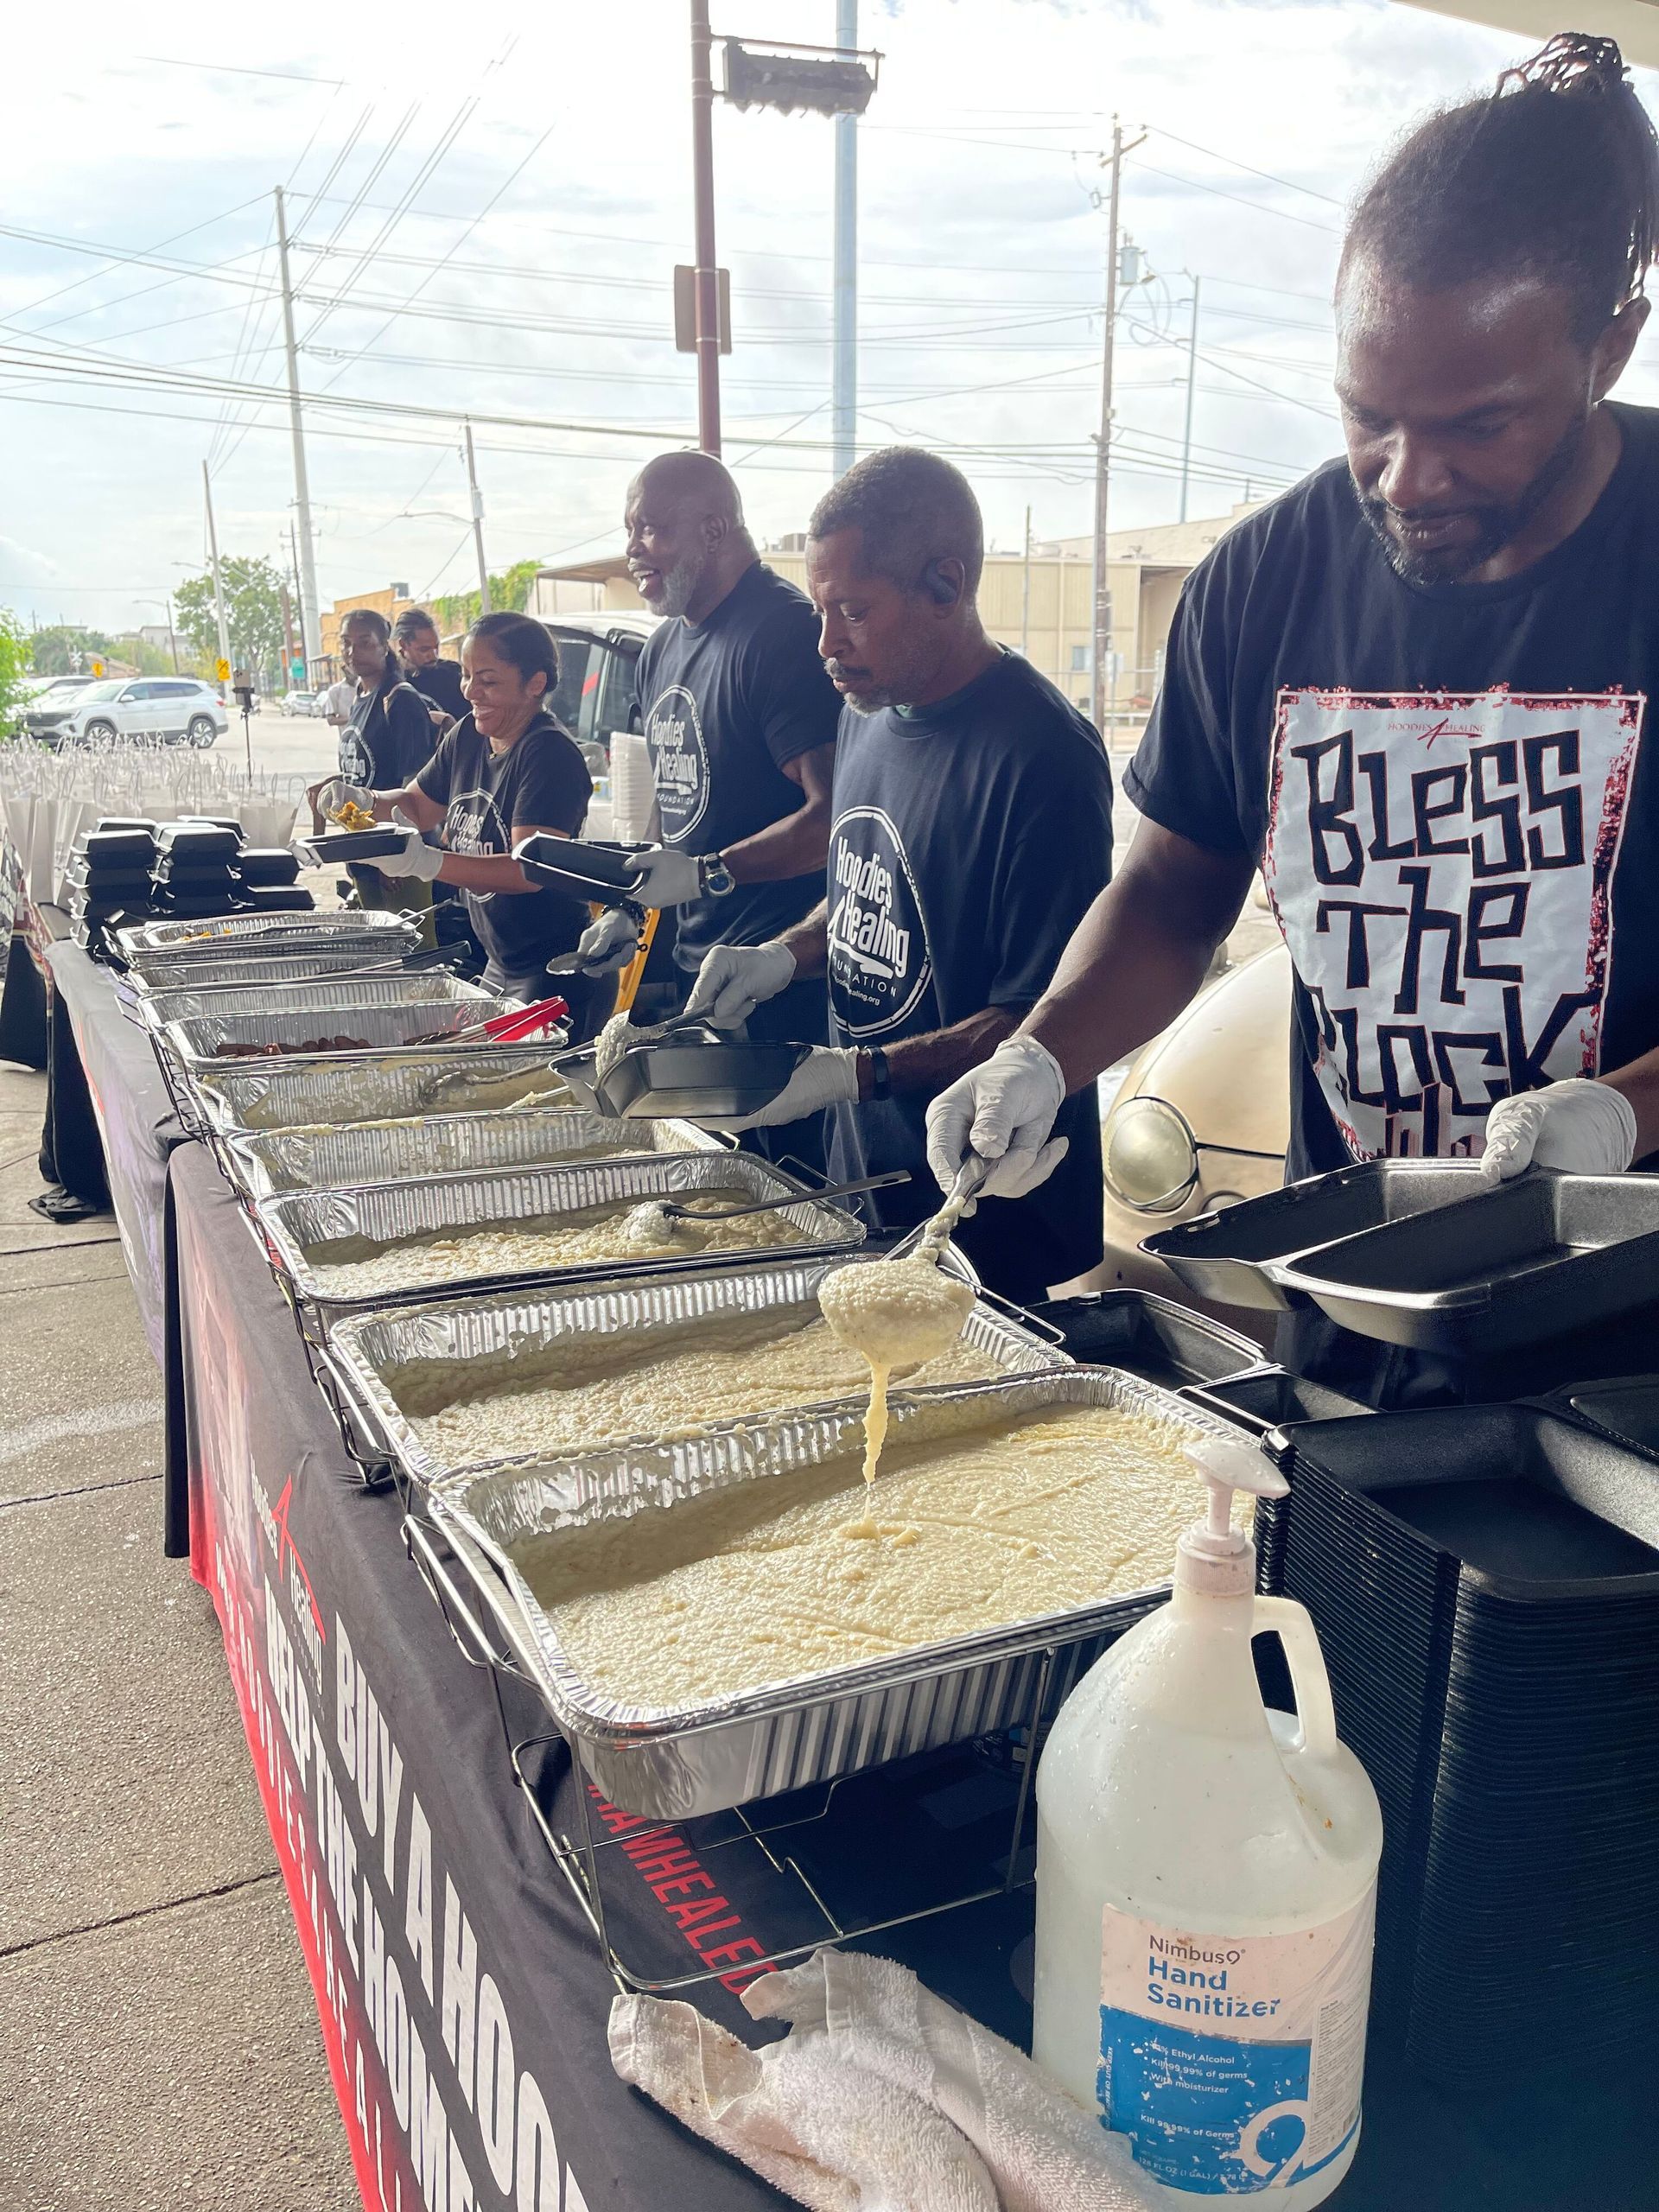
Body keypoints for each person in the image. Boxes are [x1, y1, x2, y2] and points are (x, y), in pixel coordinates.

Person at [926, 36, 1659, 1376]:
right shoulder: (1264, 582)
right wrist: (1045, 1051)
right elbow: (1169, 892)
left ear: (1610, 345)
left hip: (1634, 1349)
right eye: (1365, 414)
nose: (1407, 477)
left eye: (1479, 425)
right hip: (1353, 1312)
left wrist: (1628, 1116)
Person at [681, 448, 1115, 1304]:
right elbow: (859, 894)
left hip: (988, 1200)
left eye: (852, 612)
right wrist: (783, 954)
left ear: (946, 585)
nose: (826, 644)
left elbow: (1041, 1014)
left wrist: (859, 1070)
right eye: (818, 611)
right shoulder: (866, 716)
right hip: (871, 1174)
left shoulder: (1041, 755)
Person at [330, 612, 595, 1007]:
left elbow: (528, 871)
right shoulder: (469, 734)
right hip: (498, 961)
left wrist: (427, 863)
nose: (471, 692)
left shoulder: (548, 754)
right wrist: (365, 800)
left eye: (488, 681)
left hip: (552, 969)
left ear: (534, 684)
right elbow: (418, 805)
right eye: (467, 676)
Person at [305, 607, 435, 826]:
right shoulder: (360, 695)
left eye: (364, 643)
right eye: (346, 643)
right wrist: (336, 784)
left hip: (390, 847)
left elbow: (415, 790)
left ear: (385, 647)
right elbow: (371, 772)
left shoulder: (400, 700)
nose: (352, 651)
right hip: (361, 840)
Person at [393, 605, 468, 734]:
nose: (433, 655)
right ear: (403, 645)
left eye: (436, 647)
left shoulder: (453, 674)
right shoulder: (392, 684)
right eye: (424, 649)